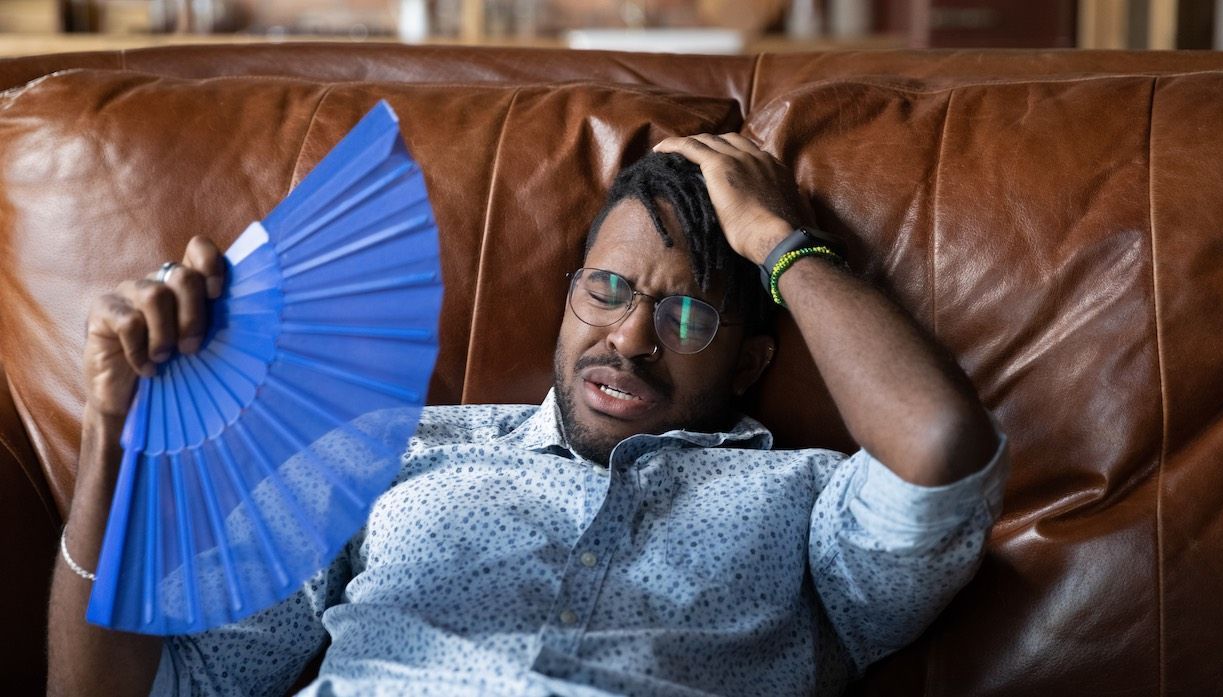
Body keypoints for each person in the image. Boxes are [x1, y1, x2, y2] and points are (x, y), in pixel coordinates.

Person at [48, 133, 1006, 696]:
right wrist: (117, 440)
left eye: (686, 312)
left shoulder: (801, 501)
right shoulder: (394, 453)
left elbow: (938, 443)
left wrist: (777, 243)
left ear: (754, 357)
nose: (630, 338)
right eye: (608, 288)